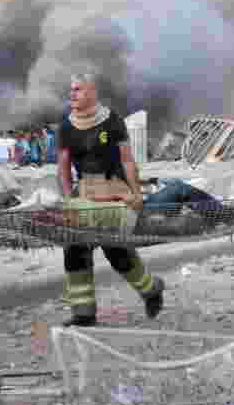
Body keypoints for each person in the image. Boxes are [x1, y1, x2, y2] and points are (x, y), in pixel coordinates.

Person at [57, 72, 165, 326]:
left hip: (114, 190)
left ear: (92, 93)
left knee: (115, 250)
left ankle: (151, 290)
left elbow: (127, 160)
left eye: (78, 89)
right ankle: (83, 312)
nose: (72, 93)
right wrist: (66, 199)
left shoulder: (112, 121)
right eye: (71, 89)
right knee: (74, 247)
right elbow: (62, 168)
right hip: (83, 192)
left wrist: (136, 192)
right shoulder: (65, 126)